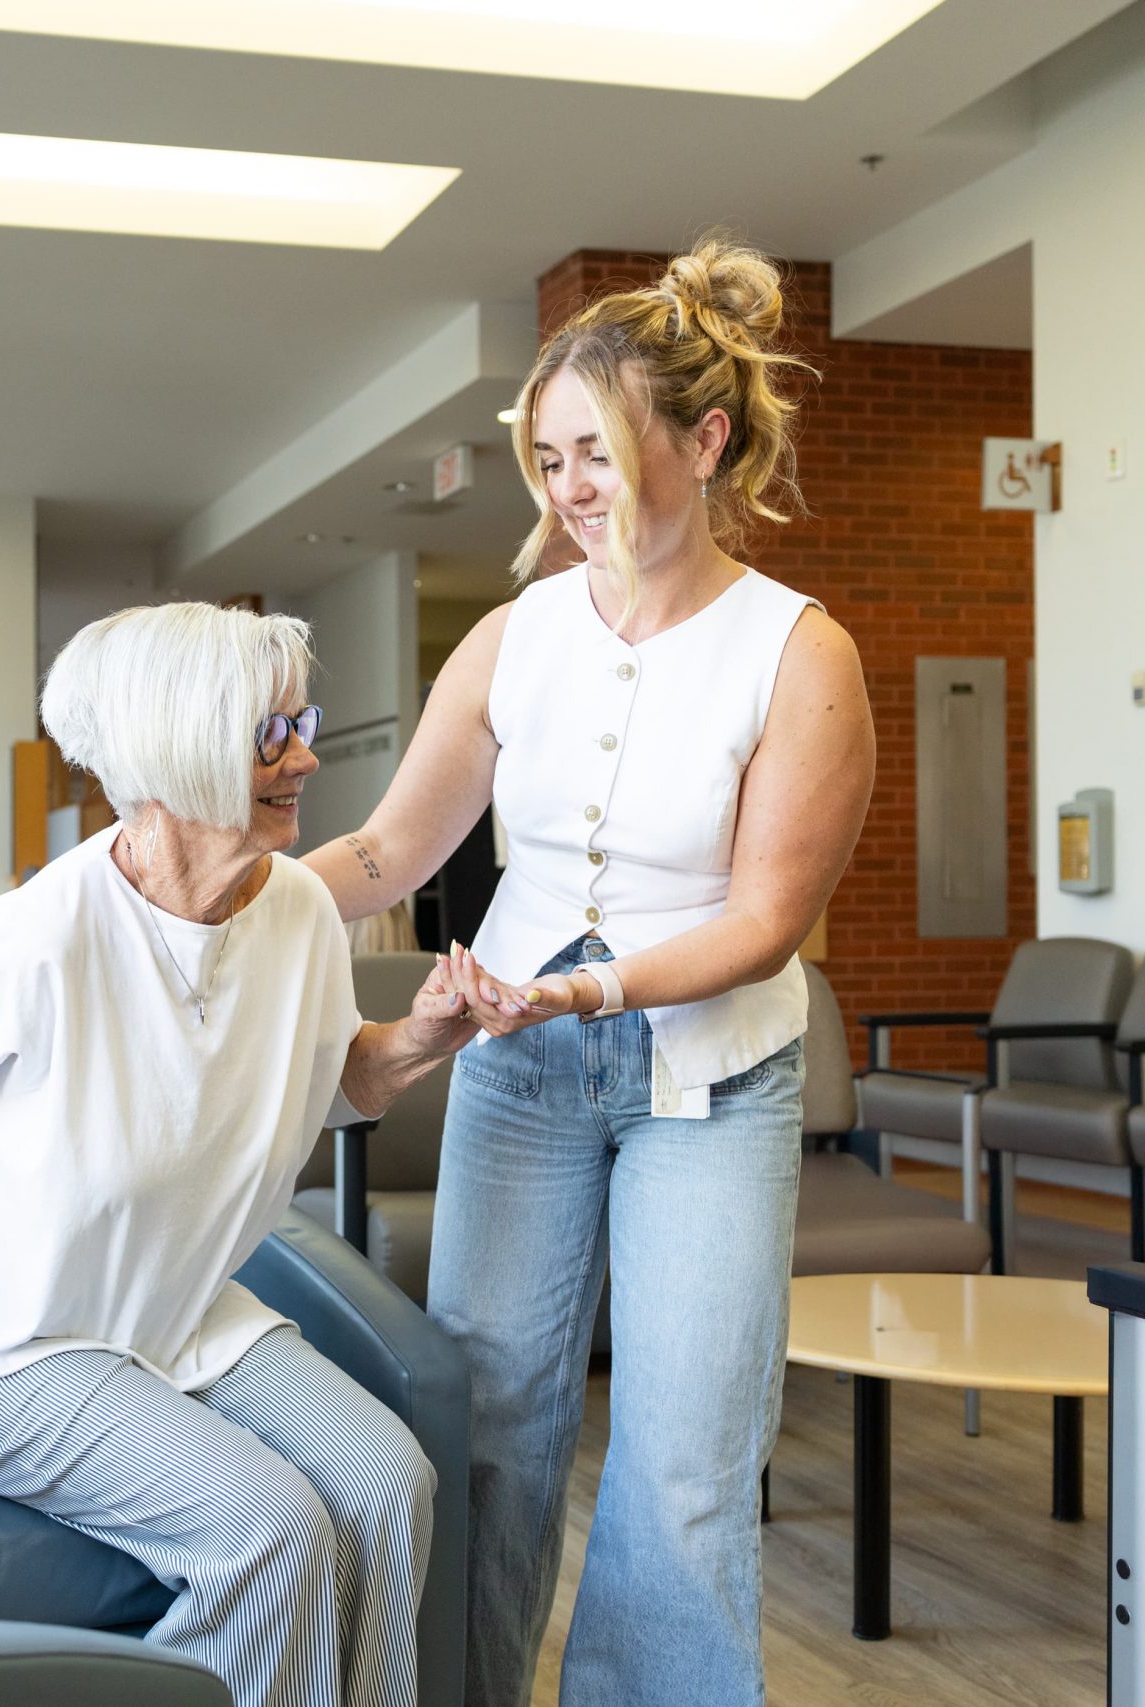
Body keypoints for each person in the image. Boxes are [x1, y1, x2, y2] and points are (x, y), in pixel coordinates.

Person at [304, 235, 875, 1706]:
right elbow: (386, 850)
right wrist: (210, 900)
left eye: (599, 453)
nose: (569, 490)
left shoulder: (799, 655)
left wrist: (588, 990)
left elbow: (765, 924)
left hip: (710, 1075)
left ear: (705, 439)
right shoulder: (514, 635)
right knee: (492, 1424)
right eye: (548, 458)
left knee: (686, 1456)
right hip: (521, 1071)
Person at [0, 602, 479, 1707]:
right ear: (176, 752)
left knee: (388, 1483)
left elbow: (330, 1077)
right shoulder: (34, 942)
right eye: (269, 733)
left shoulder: (291, 914)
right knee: (269, 1529)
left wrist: (425, 1037)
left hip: (173, 1305)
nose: (307, 753)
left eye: (299, 721)